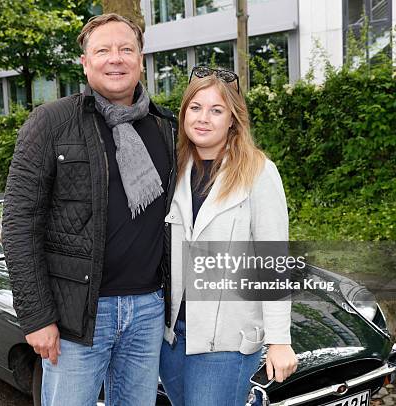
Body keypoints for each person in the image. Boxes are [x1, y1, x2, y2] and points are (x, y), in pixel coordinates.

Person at [2, 13, 177, 406]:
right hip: (75, 318)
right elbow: (18, 225)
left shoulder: (165, 126)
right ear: (85, 62)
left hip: (148, 311)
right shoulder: (51, 122)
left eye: (125, 49)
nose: (115, 59)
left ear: (141, 58)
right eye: (103, 50)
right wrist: (37, 317)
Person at [159, 66, 298, 406]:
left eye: (216, 110)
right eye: (195, 107)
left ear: (233, 119)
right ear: (183, 113)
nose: (203, 118)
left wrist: (279, 340)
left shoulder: (258, 172)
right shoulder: (173, 167)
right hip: (172, 338)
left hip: (226, 343)